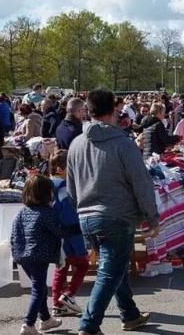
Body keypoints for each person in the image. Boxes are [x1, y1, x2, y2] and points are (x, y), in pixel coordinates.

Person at [67, 89, 157, 335]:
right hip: (116, 216)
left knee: (114, 267)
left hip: (87, 216)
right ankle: (89, 325)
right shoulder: (122, 143)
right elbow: (141, 182)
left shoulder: (76, 143)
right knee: (110, 270)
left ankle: (130, 314)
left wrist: (82, 209)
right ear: (113, 111)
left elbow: (71, 187)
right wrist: (152, 215)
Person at [10, 175, 64, 334]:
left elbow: (13, 234)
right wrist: (76, 229)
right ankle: (28, 323)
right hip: (39, 255)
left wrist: (15, 253)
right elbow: (59, 231)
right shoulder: (47, 212)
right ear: (47, 193)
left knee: (38, 287)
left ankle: (46, 319)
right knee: (39, 290)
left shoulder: (22, 212)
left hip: (22, 255)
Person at [49, 150, 89, 318]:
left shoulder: (49, 184)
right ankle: (68, 295)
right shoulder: (63, 186)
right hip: (72, 232)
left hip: (58, 234)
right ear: (60, 168)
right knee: (82, 265)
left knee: (61, 268)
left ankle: (57, 304)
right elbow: (68, 211)